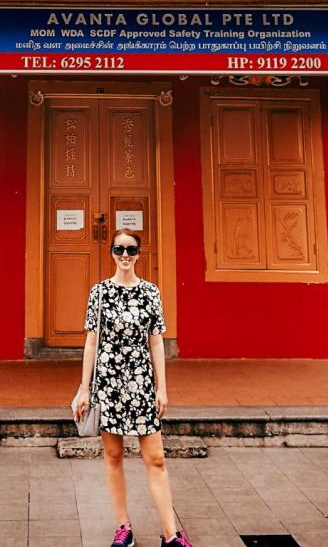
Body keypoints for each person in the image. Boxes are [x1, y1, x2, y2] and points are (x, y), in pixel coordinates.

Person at [73, 228, 192, 547]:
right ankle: (123, 527)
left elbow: (156, 342)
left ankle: (171, 535)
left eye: (130, 250)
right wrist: (84, 389)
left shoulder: (150, 292)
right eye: (119, 249)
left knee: (156, 458)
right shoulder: (99, 292)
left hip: (141, 383)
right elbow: (91, 342)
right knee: (113, 455)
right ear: (111, 253)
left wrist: (162, 388)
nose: (125, 255)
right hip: (108, 383)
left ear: (139, 254)